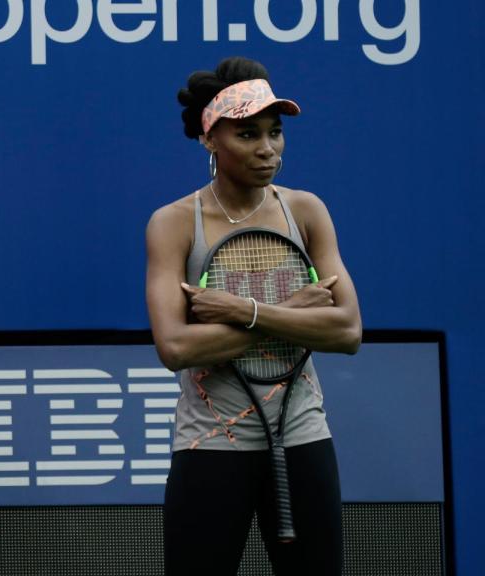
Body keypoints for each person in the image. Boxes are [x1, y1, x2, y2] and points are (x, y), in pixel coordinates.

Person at [146, 56, 361, 576]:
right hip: (209, 444)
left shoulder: (305, 210)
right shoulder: (174, 223)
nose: (267, 149)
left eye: (275, 132)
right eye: (247, 134)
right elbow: (175, 347)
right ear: (209, 139)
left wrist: (240, 311)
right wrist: (291, 313)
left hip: (303, 435)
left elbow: (347, 329)